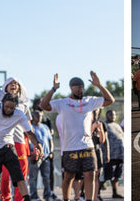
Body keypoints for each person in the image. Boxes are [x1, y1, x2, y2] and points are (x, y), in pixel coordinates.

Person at [40, 73, 113, 201]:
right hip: (70, 148)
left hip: (87, 146)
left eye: (82, 87)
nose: (81, 90)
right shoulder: (62, 103)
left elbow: (110, 100)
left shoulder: (89, 101)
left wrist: (99, 85)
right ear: (71, 88)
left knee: (90, 174)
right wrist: (53, 89)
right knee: (69, 177)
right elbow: (43, 105)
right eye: (78, 87)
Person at [0, 93, 40, 201]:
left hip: (8, 147)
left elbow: (29, 132)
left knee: (19, 174)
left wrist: (37, 145)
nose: (8, 110)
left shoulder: (19, 114)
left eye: (12, 108)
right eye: (7, 106)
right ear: (2, 103)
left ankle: (26, 198)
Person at [27, 111, 51, 201]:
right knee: (33, 177)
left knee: (46, 177)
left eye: (41, 115)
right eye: (37, 115)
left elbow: (50, 140)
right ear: (33, 116)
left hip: (45, 156)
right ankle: (34, 195)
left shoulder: (45, 127)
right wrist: (31, 154)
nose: (39, 117)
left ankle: (47, 195)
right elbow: (28, 140)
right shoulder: (30, 127)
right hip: (35, 156)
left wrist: (51, 152)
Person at [101, 112, 122, 199]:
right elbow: (103, 141)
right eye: (111, 115)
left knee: (117, 176)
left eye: (114, 115)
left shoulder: (117, 125)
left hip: (119, 155)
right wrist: (105, 154)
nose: (113, 116)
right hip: (110, 156)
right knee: (107, 176)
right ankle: (97, 193)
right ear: (107, 116)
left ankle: (115, 192)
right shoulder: (104, 125)